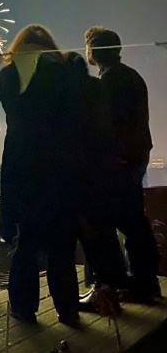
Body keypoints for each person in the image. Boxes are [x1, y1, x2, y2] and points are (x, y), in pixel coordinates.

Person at [0, 25, 83, 326]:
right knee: (62, 243)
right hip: (60, 163)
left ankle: (23, 307)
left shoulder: (7, 75)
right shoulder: (63, 72)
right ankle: (68, 308)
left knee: (27, 242)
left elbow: (12, 110)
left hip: (22, 161)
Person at [85, 26, 161, 301]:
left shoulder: (108, 81)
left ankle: (115, 284)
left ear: (93, 51)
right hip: (134, 159)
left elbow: (105, 126)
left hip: (117, 162)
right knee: (134, 222)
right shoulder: (132, 76)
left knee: (108, 223)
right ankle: (145, 281)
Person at [66, 53, 127, 312]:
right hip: (104, 172)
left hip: (84, 175)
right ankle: (111, 288)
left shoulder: (72, 98)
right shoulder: (98, 91)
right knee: (105, 234)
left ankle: (100, 291)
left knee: (90, 236)